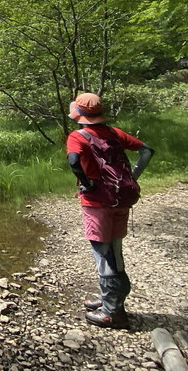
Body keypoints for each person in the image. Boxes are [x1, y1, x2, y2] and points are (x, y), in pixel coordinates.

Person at [65, 92, 155, 329]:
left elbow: (74, 161)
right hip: (123, 199)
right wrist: (132, 177)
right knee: (115, 251)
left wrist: (85, 183)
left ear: (80, 114)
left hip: (97, 202)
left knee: (103, 254)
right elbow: (147, 150)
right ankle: (110, 301)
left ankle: (112, 313)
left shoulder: (78, 136)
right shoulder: (114, 133)